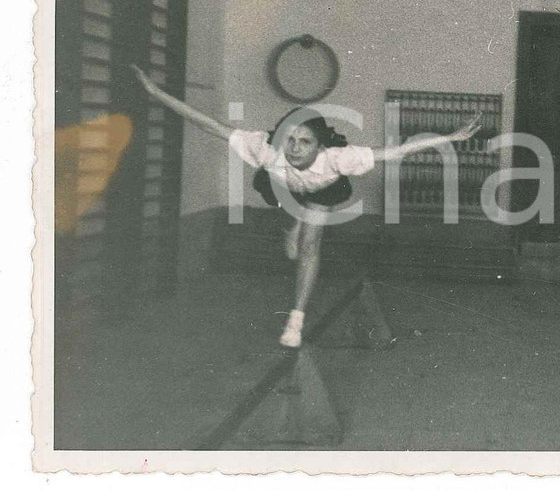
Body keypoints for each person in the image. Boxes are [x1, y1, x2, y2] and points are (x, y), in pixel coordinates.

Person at [130, 64, 482, 348]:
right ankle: (294, 222)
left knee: (309, 247)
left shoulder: (337, 159)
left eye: (305, 142)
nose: (295, 148)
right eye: (291, 140)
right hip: (282, 186)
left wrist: (451, 137)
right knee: (280, 193)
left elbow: (397, 152)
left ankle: (295, 319)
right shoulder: (267, 151)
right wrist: (156, 93)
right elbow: (209, 124)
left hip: (323, 190)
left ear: (319, 145)